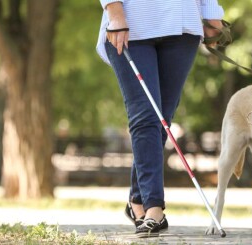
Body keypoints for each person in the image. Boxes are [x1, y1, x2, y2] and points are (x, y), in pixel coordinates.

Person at [96, 0, 225, 238]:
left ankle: (137, 200)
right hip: (131, 23)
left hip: (182, 25)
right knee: (146, 116)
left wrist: (212, 15)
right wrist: (115, 13)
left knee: (161, 121)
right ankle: (154, 210)